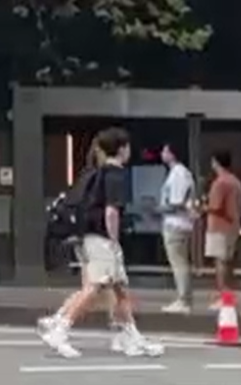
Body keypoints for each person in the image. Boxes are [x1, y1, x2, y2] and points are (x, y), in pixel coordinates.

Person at [38, 126, 163, 359]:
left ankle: (130, 336)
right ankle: (61, 326)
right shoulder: (115, 174)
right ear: (123, 149)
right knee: (96, 287)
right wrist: (114, 241)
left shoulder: (93, 173)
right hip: (101, 238)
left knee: (119, 290)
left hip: (86, 237)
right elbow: (111, 211)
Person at [157, 143, 198, 313]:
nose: (162, 153)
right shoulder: (180, 173)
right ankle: (184, 298)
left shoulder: (179, 174)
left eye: (165, 150)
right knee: (180, 262)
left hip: (176, 224)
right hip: (179, 223)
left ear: (172, 154)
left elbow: (177, 202)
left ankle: (184, 300)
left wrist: (158, 209)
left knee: (179, 263)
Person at [206, 149, 240, 301]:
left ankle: (223, 296)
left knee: (220, 262)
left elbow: (216, 206)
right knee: (229, 263)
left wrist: (201, 208)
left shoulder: (219, 183)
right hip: (233, 226)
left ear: (216, 162)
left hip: (219, 227)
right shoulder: (235, 182)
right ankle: (230, 294)